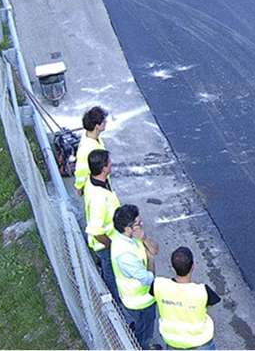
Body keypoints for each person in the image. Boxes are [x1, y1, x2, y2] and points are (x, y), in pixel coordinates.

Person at [153, 247, 221, 350]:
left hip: (172, 341)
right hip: (200, 342)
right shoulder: (203, 291)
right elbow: (210, 304)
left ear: (172, 266)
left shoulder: (159, 285)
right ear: (193, 267)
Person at [112, 204, 160, 350]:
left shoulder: (132, 236)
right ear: (127, 228)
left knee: (143, 328)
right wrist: (150, 261)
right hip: (140, 303)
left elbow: (155, 250)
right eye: (138, 223)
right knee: (144, 332)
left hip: (140, 299)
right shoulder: (125, 256)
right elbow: (148, 279)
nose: (142, 224)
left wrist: (145, 239)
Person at [83, 149, 122, 305]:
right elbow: (96, 230)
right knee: (110, 275)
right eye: (109, 162)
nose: (111, 163)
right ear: (104, 168)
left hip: (107, 243)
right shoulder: (99, 198)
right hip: (105, 245)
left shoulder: (93, 181)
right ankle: (117, 304)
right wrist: (110, 244)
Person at [74, 106, 108, 196]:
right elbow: (81, 170)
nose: (106, 122)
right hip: (96, 187)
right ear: (97, 126)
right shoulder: (86, 149)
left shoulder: (94, 138)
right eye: (103, 121)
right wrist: (79, 187)